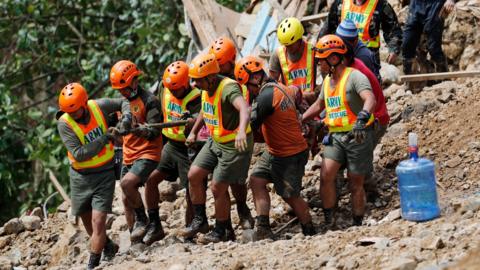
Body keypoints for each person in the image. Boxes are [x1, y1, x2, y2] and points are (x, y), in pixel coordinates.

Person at [235, 56, 316, 239]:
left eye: (248, 86)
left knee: (289, 195)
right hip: (276, 151)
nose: (248, 91)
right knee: (256, 180)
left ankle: (309, 229)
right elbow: (296, 93)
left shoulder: (266, 96)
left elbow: (251, 124)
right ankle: (263, 227)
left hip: (289, 154)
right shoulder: (277, 86)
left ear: (255, 79)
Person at [302, 35, 376, 227]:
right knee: (326, 175)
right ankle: (330, 219)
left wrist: (363, 116)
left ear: (334, 59)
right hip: (336, 136)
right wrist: (301, 119)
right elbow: (319, 104)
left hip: (357, 135)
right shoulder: (327, 81)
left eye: (321, 62)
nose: (319, 66)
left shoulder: (355, 77)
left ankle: (357, 221)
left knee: (355, 182)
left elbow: (370, 98)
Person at [182, 53, 253, 243]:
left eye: (198, 80)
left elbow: (244, 109)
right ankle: (200, 219)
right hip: (215, 141)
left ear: (210, 77)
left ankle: (221, 231)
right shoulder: (206, 88)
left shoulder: (228, 88)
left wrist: (241, 131)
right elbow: (206, 111)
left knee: (217, 187)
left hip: (234, 145)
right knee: (194, 176)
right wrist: (194, 132)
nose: (194, 84)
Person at [56, 83, 120, 269]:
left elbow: (123, 102)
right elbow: (79, 153)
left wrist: (124, 120)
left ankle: (92, 264)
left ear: (84, 104)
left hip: (104, 173)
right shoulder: (65, 123)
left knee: (98, 220)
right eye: (69, 111)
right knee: (86, 219)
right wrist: (105, 138)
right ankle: (108, 246)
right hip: (80, 177)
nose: (73, 115)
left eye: (76, 110)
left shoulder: (99, 106)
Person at [143, 61, 201, 245]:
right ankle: (154, 225)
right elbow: (154, 105)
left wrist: (190, 122)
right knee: (151, 179)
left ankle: (190, 229)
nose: (173, 92)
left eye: (176, 89)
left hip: (187, 150)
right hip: (170, 146)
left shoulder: (196, 97)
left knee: (191, 190)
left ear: (185, 83)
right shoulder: (163, 88)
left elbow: (201, 122)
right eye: (170, 89)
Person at [109, 60, 163, 245]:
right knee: (125, 198)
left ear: (134, 81)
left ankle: (143, 219)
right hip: (128, 154)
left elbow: (155, 131)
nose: (122, 92)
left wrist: (139, 130)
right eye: (119, 89)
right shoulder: (122, 103)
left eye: (124, 88)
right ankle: (136, 239)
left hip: (148, 152)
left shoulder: (150, 101)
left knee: (126, 183)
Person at [209, 37, 255, 229]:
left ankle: (241, 212)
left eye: (220, 64)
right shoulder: (214, 81)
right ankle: (225, 223)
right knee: (219, 182)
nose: (217, 69)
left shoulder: (241, 77)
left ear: (230, 61)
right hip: (218, 136)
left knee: (236, 180)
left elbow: (250, 103)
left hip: (239, 135)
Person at [343, 42, 390, 201]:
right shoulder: (351, 67)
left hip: (373, 119)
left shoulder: (355, 73)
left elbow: (369, 101)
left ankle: (372, 195)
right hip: (368, 116)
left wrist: (361, 120)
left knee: (359, 158)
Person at [320, 0, 402, 66]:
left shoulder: (380, 4)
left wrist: (393, 49)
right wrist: (320, 48)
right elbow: (329, 26)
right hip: (343, 55)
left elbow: (392, 28)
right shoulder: (340, 3)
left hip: (368, 56)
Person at [269, 17, 316, 105]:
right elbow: (271, 86)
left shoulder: (313, 50)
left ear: (299, 39)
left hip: (311, 102)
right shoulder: (277, 55)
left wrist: (313, 94)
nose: (288, 48)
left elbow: (327, 80)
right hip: (290, 104)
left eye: (291, 45)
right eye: (285, 45)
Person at [402, 0, 455, 76]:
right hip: (416, 4)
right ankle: (409, 80)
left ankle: (444, 78)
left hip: (435, 4)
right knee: (407, 43)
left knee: (434, 47)